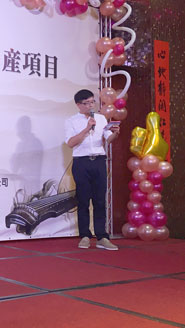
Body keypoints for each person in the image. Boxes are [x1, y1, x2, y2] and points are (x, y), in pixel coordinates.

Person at [65, 89, 120, 251]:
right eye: (86, 103)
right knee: (83, 200)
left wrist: (115, 133)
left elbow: (108, 138)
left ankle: (102, 237)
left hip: (99, 161)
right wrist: (86, 128)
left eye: (92, 102)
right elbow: (70, 143)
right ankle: (84, 236)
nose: (90, 106)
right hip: (81, 162)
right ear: (78, 105)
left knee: (100, 200)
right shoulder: (71, 121)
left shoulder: (101, 118)